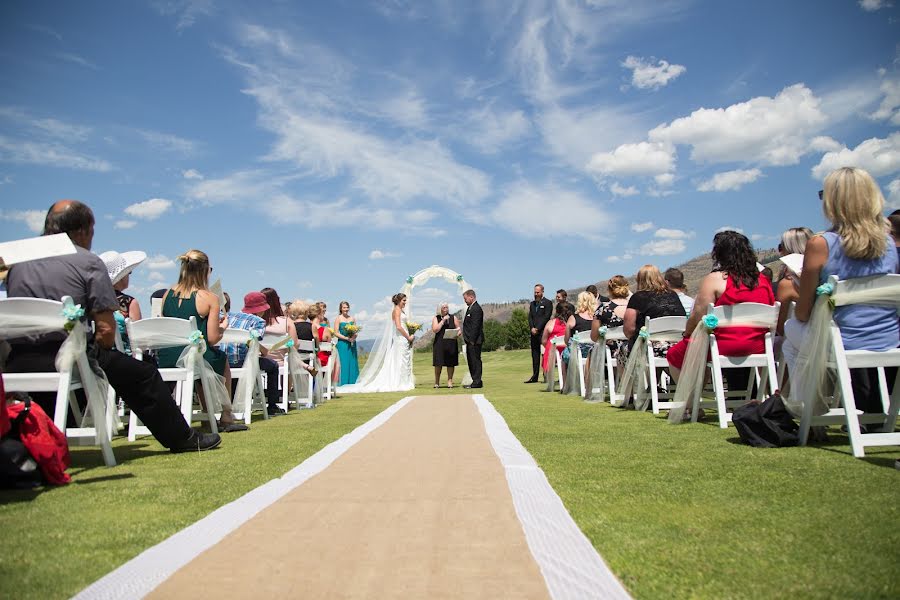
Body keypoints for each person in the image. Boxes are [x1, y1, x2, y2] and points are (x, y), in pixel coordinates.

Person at [4, 200, 220, 451]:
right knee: (143, 375)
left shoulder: (17, 264)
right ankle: (183, 439)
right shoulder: (87, 262)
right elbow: (106, 331)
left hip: (16, 360)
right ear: (84, 231)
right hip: (68, 357)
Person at [783, 167, 899, 414]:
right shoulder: (889, 244)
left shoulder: (821, 244)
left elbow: (803, 314)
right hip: (891, 340)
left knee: (789, 331)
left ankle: (809, 413)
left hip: (843, 342)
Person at [667, 231, 776, 382]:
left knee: (673, 355)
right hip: (759, 345)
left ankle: (692, 401)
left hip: (721, 345)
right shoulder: (763, 281)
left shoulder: (715, 280)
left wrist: (687, 334)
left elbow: (698, 314)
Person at [157, 250, 245, 432]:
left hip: (167, 357)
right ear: (205, 271)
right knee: (220, 358)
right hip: (195, 356)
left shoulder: (167, 295)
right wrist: (223, 327)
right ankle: (226, 415)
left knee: (203, 358)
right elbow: (212, 339)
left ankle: (207, 413)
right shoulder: (209, 298)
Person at [219, 291, 285, 416]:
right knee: (273, 366)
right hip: (244, 362)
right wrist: (264, 351)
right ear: (261, 310)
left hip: (224, 362)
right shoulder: (258, 321)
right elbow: (252, 342)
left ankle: (231, 402)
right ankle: (272, 405)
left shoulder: (227, 317)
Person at [336, 293, 414, 393]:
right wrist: (408, 336)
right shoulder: (397, 310)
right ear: (399, 301)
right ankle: (398, 382)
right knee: (399, 360)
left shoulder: (400, 310)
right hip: (401, 337)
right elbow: (398, 326)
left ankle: (403, 381)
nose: (405, 302)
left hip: (403, 338)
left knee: (401, 360)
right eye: (403, 300)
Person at [620, 265, 686, 364]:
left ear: (640, 279)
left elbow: (629, 330)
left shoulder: (638, 297)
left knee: (622, 350)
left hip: (649, 348)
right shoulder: (673, 294)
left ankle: (626, 379)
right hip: (676, 346)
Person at [100, 250, 146, 354]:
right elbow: (138, 341)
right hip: (123, 358)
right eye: (128, 272)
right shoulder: (129, 303)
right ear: (121, 277)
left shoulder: (94, 299)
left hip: (97, 356)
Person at [774, 227, 814, 338]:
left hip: (801, 343)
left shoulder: (788, 285)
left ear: (789, 251)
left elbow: (781, 329)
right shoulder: (826, 276)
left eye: (781, 247)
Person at [591, 275, 630, 362]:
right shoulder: (635, 307)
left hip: (610, 354)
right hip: (633, 351)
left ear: (610, 289)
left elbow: (594, 337)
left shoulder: (604, 308)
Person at [260, 287, 299, 367]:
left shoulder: (256, 322)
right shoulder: (287, 322)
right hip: (280, 366)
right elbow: (295, 345)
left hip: (257, 366)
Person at [526, 284, 553, 383]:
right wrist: (532, 328)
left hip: (543, 333)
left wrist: (538, 328)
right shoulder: (532, 304)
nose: (536, 294)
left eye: (538, 292)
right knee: (535, 355)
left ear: (542, 292)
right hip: (533, 334)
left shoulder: (548, 303)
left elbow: (546, 317)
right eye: (535, 292)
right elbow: (530, 317)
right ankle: (534, 376)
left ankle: (546, 375)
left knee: (545, 354)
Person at [431, 302, 460, 388]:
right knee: (438, 363)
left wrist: (458, 333)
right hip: (439, 343)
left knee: (450, 363)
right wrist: (443, 320)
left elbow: (458, 329)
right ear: (440, 309)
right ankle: (437, 382)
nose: (446, 309)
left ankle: (450, 381)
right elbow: (435, 329)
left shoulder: (453, 317)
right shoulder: (436, 318)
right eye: (443, 308)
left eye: (447, 307)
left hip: (451, 342)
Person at [334, 300, 360, 386]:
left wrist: (353, 338)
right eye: (344, 307)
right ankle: (342, 382)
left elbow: (356, 331)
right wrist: (346, 338)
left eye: (347, 307)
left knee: (352, 362)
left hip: (352, 343)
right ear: (341, 309)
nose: (346, 309)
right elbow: (336, 332)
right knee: (343, 363)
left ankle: (353, 382)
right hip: (342, 343)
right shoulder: (338, 318)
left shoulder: (352, 318)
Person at [541, 302, 570, 379]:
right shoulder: (571, 322)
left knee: (549, 346)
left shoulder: (551, 323)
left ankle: (548, 378)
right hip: (568, 350)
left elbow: (544, 340)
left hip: (553, 351)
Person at [462, 289, 484, 389]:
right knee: (471, 361)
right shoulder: (470, 308)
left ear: (471, 297)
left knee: (475, 361)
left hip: (474, 341)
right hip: (469, 341)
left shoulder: (476, 309)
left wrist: (471, 340)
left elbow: (476, 326)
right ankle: (475, 381)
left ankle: (477, 382)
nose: (465, 301)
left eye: (466, 299)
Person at [566, 291, 596, 358]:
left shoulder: (573, 318)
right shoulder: (598, 318)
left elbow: (566, 340)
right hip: (595, 353)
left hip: (578, 354)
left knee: (564, 354)